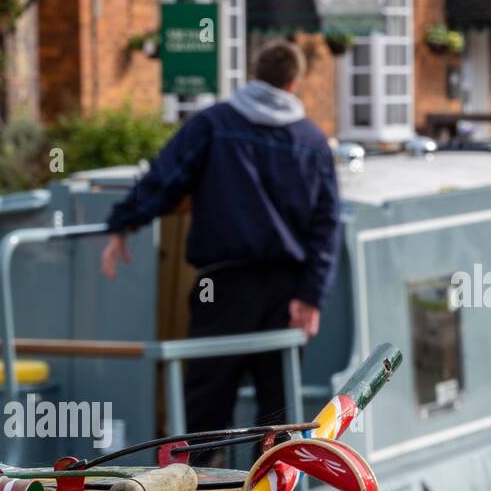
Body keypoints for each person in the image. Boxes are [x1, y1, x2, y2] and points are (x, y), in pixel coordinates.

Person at [101, 40, 341, 432]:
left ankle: (199, 490)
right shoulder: (313, 143)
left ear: (252, 75)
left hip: (221, 283)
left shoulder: (213, 125)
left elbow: (165, 180)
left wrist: (122, 224)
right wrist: (311, 296)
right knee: (278, 418)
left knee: (205, 409)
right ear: (294, 83)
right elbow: (326, 225)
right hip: (287, 292)